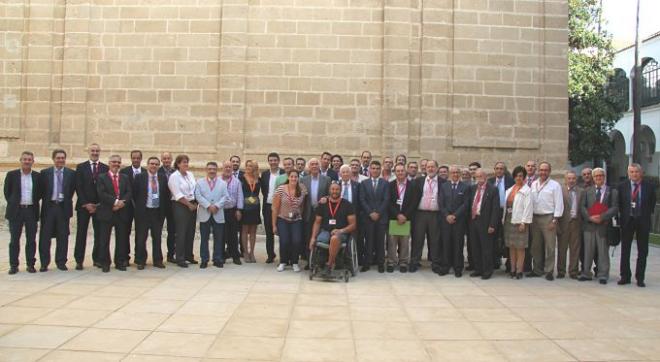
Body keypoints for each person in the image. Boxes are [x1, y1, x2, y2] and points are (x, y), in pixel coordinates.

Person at [618, 163, 656, 287]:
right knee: (625, 249)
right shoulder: (622, 186)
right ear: (628, 173)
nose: (634, 174)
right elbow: (620, 203)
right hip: (627, 221)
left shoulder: (649, 187)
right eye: (632, 172)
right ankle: (625, 276)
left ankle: (640, 277)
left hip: (642, 221)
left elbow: (652, 203)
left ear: (641, 173)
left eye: (636, 172)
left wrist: (644, 215)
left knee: (643, 250)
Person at [38, 149, 76, 272]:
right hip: (49, 207)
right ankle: (44, 263)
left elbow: (71, 190)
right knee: (45, 237)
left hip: (63, 208)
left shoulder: (71, 173)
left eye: (62, 158)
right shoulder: (44, 173)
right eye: (58, 158)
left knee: (63, 236)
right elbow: (41, 190)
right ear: (53, 159)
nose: (60, 160)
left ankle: (61, 262)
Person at [4, 151, 41, 274]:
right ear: (20, 160)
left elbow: (39, 193)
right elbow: (7, 192)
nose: (27, 161)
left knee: (31, 239)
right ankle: (13, 265)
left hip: (31, 210)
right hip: (16, 211)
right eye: (25, 159)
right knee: (14, 240)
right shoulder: (11, 175)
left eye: (29, 159)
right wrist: (14, 203)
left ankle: (30, 264)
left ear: (33, 162)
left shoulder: (37, 176)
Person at [580, 168, 618, 284]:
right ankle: (586, 273)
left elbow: (615, 207)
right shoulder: (587, 191)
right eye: (596, 176)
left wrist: (602, 217)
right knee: (588, 251)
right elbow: (582, 207)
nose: (598, 178)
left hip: (603, 225)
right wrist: (590, 217)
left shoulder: (612, 191)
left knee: (602, 251)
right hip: (589, 225)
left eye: (601, 176)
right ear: (593, 178)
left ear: (604, 176)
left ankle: (603, 274)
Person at [74, 143, 108, 270]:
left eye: (97, 151)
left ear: (99, 152)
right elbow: (79, 187)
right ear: (89, 151)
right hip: (84, 206)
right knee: (81, 234)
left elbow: (105, 187)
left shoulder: (105, 168)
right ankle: (79, 260)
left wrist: (98, 204)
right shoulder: (81, 167)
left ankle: (97, 259)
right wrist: (86, 203)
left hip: (99, 206)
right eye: (92, 150)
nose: (95, 153)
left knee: (99, 234)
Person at [309, 182, 357, 272]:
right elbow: (317, 222)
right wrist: (312, 238)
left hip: (341, 232)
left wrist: (341, 231)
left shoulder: (347, 205)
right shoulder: (323, 203)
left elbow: (353, 225)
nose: (335, 191)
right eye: (333, 189)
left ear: (341, 190)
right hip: (325, 231)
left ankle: (329, 264)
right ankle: (321, 262)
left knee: (334, 238)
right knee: (321, 240)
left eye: (337, 189)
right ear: (329, 190)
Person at [96, 155, 132, 272]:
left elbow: (128, 192)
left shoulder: (125, 177)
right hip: (107, 212)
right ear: (109, 163)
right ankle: (105, 262)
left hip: (121, 212)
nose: (116, 164)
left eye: (118, 162)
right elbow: (102, 193)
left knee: (121, 239)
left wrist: (122, 203)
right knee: (104, 239)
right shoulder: (102, 177)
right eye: (114, 162)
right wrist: (116, 202)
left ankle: (120, 262)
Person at [529, 161, 564, 280]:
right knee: (536, 245)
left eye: (545, 170)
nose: (543, 172)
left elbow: (559, 203)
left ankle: (549, 270)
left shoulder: (555, 185)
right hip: (535, 217)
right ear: (538, 171)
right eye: (541, 170)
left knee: (550, 245)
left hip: (549, 217)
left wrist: (555, 220)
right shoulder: (533, 184)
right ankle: (537, 269)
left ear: (549, 171)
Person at [133, 156, 168, 269]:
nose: (154, 166)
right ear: (147, 165)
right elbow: (134, 194)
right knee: (141, 237)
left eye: (156, 164)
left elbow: (165, 195)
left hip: (157, 212)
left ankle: (157, 260)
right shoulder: (140, 177)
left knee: (157, 237)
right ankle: (140, 260)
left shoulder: (162, 178)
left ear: (159, 166)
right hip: (144, 212)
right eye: (152, 164)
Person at [410, 160, 443, 273]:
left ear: (437, 168)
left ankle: (436, 263)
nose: (430, 169)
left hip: (435, 214)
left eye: (433, 167)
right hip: (420, 214)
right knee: (417, 239)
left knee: (435, 240)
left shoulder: (443, 182)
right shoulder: (418, 181)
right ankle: (414, 262)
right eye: (428, 167)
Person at [467, 169, 500, 279]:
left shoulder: (493, 189)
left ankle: (487, 271)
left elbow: (496, 209)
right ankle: (478, 269)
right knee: (475, 247)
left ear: (485, 177)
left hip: (486, 222)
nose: (479, 178)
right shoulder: (472, 188)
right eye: (477, 176)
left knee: (486, 248)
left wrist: (492, 225)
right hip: (474, 220)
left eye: (481, 175)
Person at [273, 170, 308, 272]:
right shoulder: (281, 189)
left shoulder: (302, 189)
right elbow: (275, 208)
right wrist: (274, 225)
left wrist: (298, 214)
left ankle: (295, 262)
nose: (293, 178)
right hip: (282, 218)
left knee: (296, 241)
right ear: (288, 178)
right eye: (291, 176)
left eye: (295, 177)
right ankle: (283, 262)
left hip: (296, 220)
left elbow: (302, 205)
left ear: (298, 178)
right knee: (284, 241)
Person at [196, 161, 229, 269]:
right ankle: (204, 259)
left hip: (217, 213)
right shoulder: (200, 182)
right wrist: (208, 205)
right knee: (204, 238)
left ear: (217, 170)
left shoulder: (222, 183)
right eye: (210, 169)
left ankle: (217, 259)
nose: (212, 171)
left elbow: (225, 197)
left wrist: (217, 206)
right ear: (206, 170)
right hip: (205, 213)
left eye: (214, 169)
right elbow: (198, 196)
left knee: (218, 238)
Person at [502, 166, 533, 279]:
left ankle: (519, 270)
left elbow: (528, 208)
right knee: (511, 246)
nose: (518, 178)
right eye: (516, 176)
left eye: (520, 176)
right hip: (509, 220)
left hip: (520, 221)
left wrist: (524, 222)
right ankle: (513, 269)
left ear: (524, 177)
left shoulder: (527, 191)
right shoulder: (509, 189)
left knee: (520, 247)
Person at [168, 154, 198, 268]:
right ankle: (180, 257)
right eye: (183, 162)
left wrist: (195, 203)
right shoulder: (174, 176)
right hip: (180, 205)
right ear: (178, 164)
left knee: (191, 231)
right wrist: (188, 204)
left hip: (192, 204)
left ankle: (188, 255)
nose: (185, 164)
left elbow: (195, 188)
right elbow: (177, 193)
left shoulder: (190, 174)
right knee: (181, 232)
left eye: (187, 162)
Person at [439, 166, 469, 277]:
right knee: (446, 244)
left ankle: (458, 268)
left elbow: (465, 204)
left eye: (457, 172)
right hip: (446, 221)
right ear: (450, 174)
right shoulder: (444, 186)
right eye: (453, 172)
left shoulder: (465, 187)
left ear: (460, 174)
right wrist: (447, 215)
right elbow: (441, 203)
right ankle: (445, 267)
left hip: (459, 221)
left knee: (458, 245)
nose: (455, 174)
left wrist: (455, 216)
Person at [359, 161, 389, 272]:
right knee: (369, 241)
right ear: (370, 170)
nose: (375, 170)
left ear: (380, 170)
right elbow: (362, 199)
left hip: (381, 218)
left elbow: (386, 200)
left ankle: (381, 263)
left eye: (377, 168)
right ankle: (367, 262)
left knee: (380, 241)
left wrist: (378, 213)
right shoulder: (364, 183)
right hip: (368, 217)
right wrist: (370, 213)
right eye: (373, 168)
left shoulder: (385, 183)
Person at [301, 158, 331, 265]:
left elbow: (331, 194)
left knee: (321, 237)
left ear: (319, 166)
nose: (314, 166)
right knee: (308, 236)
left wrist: (326, 198)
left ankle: (321, 260)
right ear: (309, 167)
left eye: (316, 164)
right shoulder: (304, 180)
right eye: (312, 164)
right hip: (308, 212)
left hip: (322, 212)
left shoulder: (326, 179)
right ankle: (310, 262)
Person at [387, 164, 416, 273]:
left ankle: (403, 262)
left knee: (405, 242)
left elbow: (414, 202)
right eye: (398, 171)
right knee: (392, 241)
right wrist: (397, 215)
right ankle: (391, 262)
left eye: (402, 171)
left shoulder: (413, 185)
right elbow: (388, 202)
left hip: (406, 218)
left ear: (406, 172)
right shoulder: (390, 185)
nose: (400, 173)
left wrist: (405, 215)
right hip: (393, 218)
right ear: (395, 172)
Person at [119, 149, 145, 266]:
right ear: (131, 158)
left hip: (141, 208)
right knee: (125, 233)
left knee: (140, 234)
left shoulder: (145, 172)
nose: (135, 160)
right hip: (126, 207)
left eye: (137, 158)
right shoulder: (124, 172)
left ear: (141, 159)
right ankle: (125, 257)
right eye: (133, 158)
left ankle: (139, 258)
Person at [558, 170, 584, 279]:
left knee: (575, 248)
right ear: (565, 180)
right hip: (563, 222)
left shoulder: (582, 191)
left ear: (576, 179)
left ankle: (573, 271)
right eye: (569, 178)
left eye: (573, 178)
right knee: (562, 248)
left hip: (576, 223)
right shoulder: (560, 190)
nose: (571, 180)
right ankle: (561, 270)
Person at [488, 162, 514, 271]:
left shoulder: (510, 182)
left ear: (504, 170)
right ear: (494, 170)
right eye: (497, 168)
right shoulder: (490, 181)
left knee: (506, 237)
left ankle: (509, 263)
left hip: (506, 212)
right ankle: (495, 260)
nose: (499, 170)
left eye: (501, 169)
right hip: (493, 212)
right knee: (493, 236)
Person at [260, 152, 284, 263]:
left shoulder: (284, 173)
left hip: (282, 207)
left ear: (278, 161)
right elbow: (264, 191)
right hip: (268, 206)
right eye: (271, 160)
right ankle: (271, 255)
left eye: (275, 160)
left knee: (282, 232)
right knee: (269, 232)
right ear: (268, 162)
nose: (273, 162)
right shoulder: (264, 174)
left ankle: (284, 256)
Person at [338, 164, 362, 266]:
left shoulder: (357, 185)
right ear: (340, 174)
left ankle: (352, 261)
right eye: (343, 172)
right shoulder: (335, 185)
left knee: (354, 239)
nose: (346, 174)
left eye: (347, 172)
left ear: (351, 173)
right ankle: (339, 261)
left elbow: (360, 201)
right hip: (338, 218)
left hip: (353, 218)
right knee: (339, 238)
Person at [221, 160, 243, 265]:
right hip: (220, 211)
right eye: (226, 167)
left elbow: (240, 196)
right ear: (223, 168)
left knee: (233, 234)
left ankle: (235, 256)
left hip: (232, 210)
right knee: (221, 234)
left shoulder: (236, 181)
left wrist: (239, 209)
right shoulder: (218, 180)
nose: (228, 169)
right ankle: (221, 255)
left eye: (229, 167)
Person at [240, 160, 261, 263]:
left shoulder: (258, 179)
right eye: (247, 165)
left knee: (253, 231)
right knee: (244, 230)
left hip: (255, 207)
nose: (248, 167)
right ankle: (245, 253)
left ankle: (252, 252)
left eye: (251, 166)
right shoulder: (241, 178)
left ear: (254, 167)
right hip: (245, 207)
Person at [158, 152, 176, 263]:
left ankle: (170, 255)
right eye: (164, 158)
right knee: (158, 231)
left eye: (168, 158)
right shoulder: (157, 171)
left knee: (172, 231)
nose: (166, 160)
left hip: (173, 206)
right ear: (161, 160)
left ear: (171, 159)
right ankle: (158, 256)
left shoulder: (176, 172)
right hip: (160, 206)